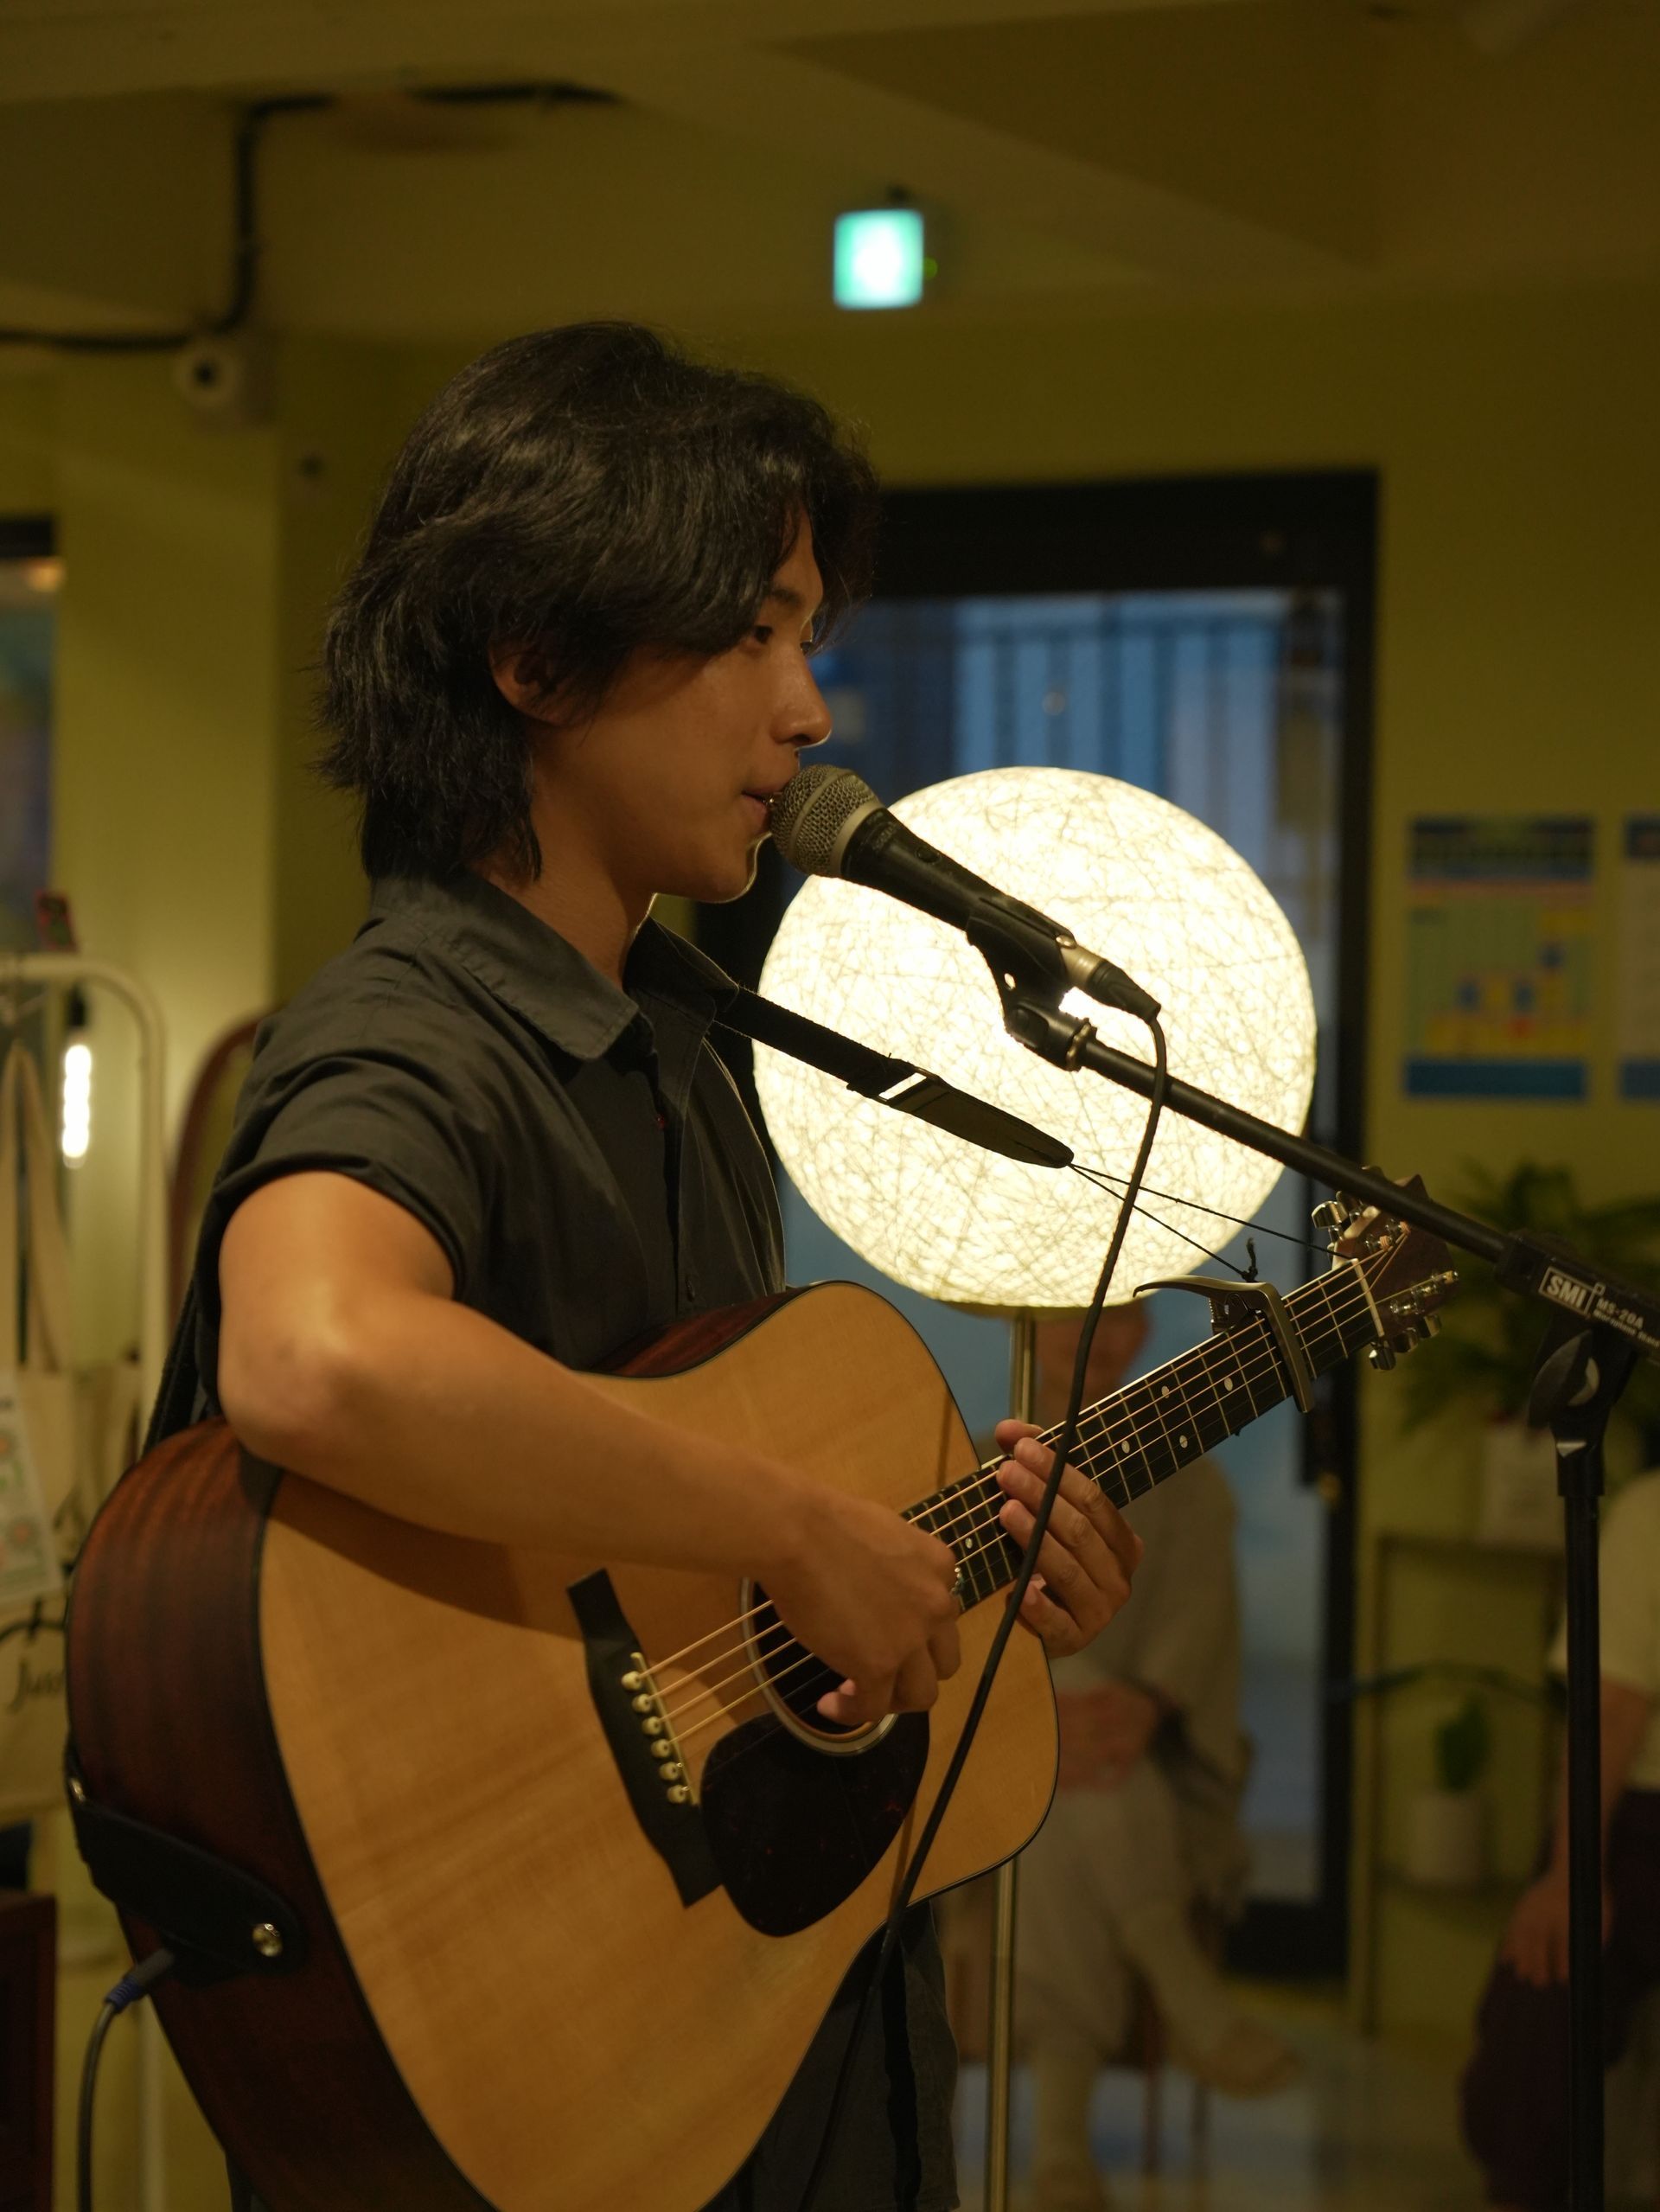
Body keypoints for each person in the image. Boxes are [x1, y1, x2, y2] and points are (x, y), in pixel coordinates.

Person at [152, 323, 1143, 2212]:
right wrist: (793, 1525)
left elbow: (680, 1619)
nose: (811, 710)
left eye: (811, 637)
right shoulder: (421, 1034)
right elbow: (316, 1356)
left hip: (744, 2053)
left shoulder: (672, 1040)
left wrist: (946, 1590)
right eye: (755, 631)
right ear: (535, 658)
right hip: (532, 2093)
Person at [1015, 1301, 1299, 2212]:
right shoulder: (985, 1470)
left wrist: (1136, 1710)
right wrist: (1052, 1716)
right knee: (1057, 1778)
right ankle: (1183, 1986)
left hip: (1142, 1763)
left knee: (1078, 1799)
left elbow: (1194, 1634)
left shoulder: (1193, 1485)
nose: (1098, 1336)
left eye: (1123, 1317)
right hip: (1014, 1759)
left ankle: (1060, 2146)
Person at [1461, 1467, 1660, 2212]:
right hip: (1643, 1816)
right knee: (1542, 2003)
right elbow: (1612, 1708)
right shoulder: (1651, 1514)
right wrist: (1570, 1874)